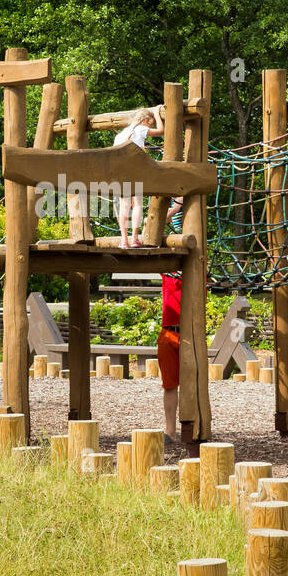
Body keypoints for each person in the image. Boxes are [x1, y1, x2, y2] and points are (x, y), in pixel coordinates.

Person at [113, 108, 163, 247]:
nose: (150, 127)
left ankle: (124, 239)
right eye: (150, 124)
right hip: (134, 170)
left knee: (124, 205)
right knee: (137, 204)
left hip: (119, 172)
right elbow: (161, 131)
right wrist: (157, 114)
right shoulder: (140, 128)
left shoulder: (121, 135)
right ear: (145, 121)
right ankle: (134, 238)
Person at [156, 270, 182, 447]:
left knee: (192, 384)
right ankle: (170, 432)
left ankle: (195, 428)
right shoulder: (168, 272)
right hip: (168, 332)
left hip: (190, 333)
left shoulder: (199, 270)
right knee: (169, 385)